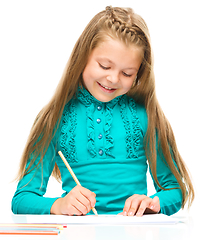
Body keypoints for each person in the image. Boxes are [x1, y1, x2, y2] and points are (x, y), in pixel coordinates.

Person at [12, 6, 194, 216]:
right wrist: (59, 206)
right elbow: (22, 200)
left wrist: (152, 203)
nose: (114, 79)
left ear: (138, 74)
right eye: (104, 66)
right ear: (83, 57)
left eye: (127, 73)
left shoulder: (146, 117)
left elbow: (175, 191)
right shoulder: (55, 118)